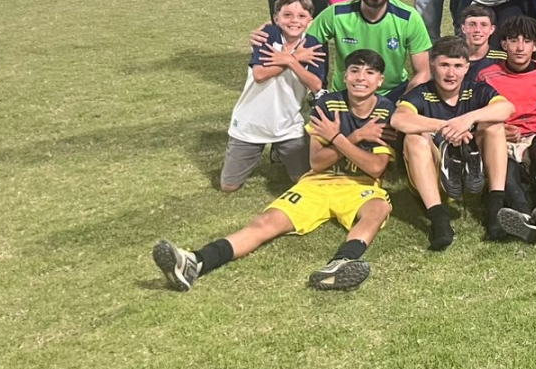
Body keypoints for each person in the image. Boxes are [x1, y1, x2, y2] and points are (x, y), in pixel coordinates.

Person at [152, 49, 396, 293]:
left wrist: (336, 138)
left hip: (360, 185)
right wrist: (355, 137)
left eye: (370, 72)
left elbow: (375, 168)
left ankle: (340, 264)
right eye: (355, 70)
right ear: (345, 76)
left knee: (377, 209)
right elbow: (318, 163)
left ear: (380, 80)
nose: (361, 77)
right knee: (266, 222)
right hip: (317, 182)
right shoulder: (328, 104)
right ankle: (195, 261)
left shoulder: (385, 110)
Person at [392, 36, 514, 251]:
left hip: (471, 170)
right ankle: (439, 220)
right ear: (432, 65)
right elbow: (398, 119)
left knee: (495, 126)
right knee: (414, 138)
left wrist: (467, 119)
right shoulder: (421, 93)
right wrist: (445, 126)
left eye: (458, 66)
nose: (451, 73)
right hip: (433, 173)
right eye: (444, 65)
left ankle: (495, 210)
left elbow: (507, 108)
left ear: (467, 67)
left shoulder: (476, 89)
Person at [221, 0, 327, 193]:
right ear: (276, 18)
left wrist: (290, 61)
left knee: (304, 181)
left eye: (301, 16)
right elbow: (260, 74)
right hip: (250, 122)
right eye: (287, 15)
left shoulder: (312, 44)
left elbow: (316, 85)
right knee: (229, 187)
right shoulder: (267, 34)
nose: (294, 21)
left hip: (288, 125)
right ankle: (258, 150)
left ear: (310, 21)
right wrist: (296, 58)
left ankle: (280, 149)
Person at [476, 16, 536, 241]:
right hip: (503, 140)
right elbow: (478, 118)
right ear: (503, 44)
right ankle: (523, 213)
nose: (519, 47)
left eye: (526, 41)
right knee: (502, 161)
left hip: (535, 140)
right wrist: (500, 128)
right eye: (513, 40)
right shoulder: (487, 77)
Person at [307, 0, 431, 100]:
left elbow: (423, 73)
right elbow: (306, 43)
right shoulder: (336, 14)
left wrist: (403, 102)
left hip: (392, 93)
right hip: (346, 93)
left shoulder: (409, 18)